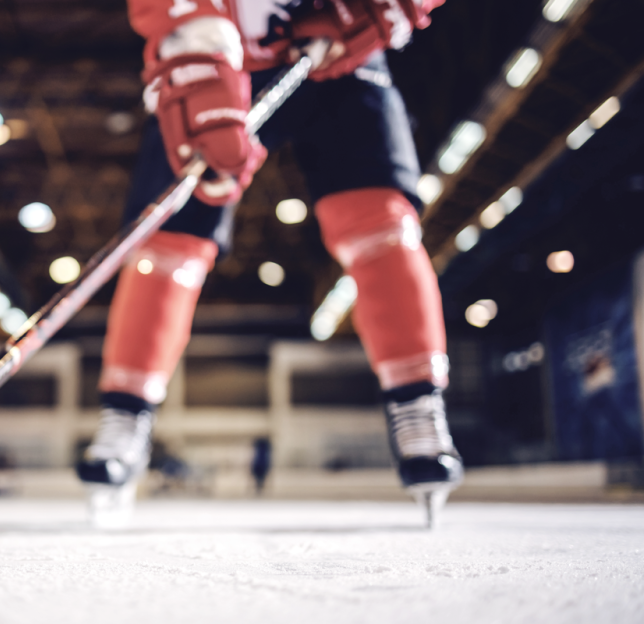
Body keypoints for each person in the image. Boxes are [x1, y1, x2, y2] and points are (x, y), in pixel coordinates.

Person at [76, 0, 463, 523]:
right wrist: (198, 62)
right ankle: (124, 420)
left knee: (379, 221)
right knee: (169, 241)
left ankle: (419, 410)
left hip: (344, 54)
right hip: (224, 55)